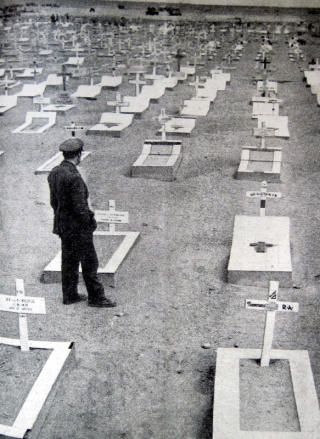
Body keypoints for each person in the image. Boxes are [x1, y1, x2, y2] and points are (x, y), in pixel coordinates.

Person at [47, 138, 117, 308]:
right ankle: (96, 297)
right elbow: (80, 208)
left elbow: (53, 202)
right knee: (89, 261)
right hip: (78, 227)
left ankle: (69, 295)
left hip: (63, 225)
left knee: (69, 260)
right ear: (78, 155)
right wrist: (89, 222)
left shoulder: (55, 172)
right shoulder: (74, 177)